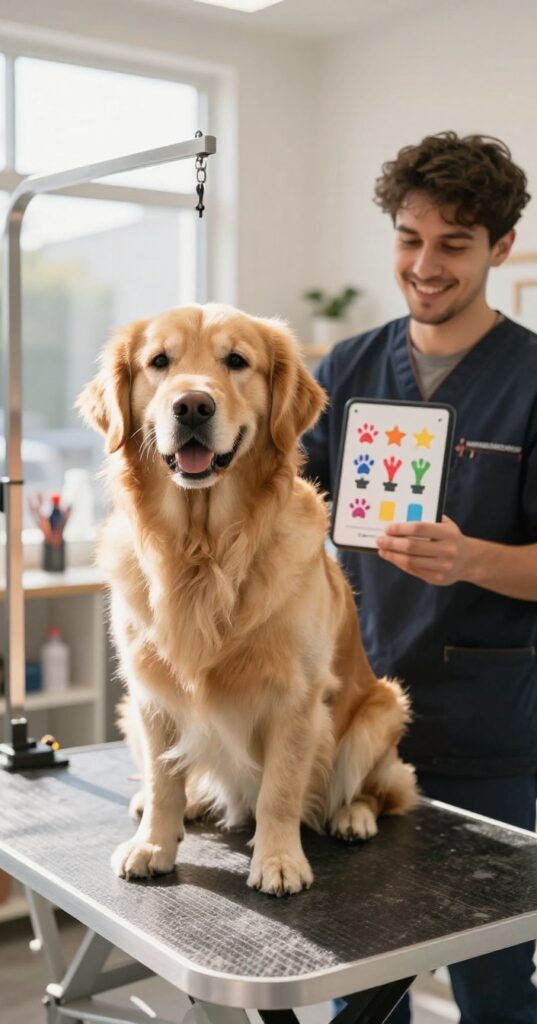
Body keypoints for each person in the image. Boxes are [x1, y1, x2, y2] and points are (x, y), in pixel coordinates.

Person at [303, 132, 537, 1024]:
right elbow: (290, 504)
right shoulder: (349, 368)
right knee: (360, 978)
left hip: (483, 734)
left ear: (500, 248)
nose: (425, 265)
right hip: (354, 716)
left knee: (492, 982)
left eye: (453, 243)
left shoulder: (529, 379)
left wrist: (471, 556)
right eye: (409, 238)